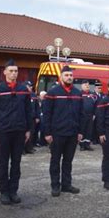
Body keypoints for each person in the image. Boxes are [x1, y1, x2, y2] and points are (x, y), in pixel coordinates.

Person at [0, 59, 32, 205]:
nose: (14, 73)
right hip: (3, 132)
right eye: (11, 71)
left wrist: (28, 130)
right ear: (5, 72)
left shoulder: (23, 90)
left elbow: (28, 111)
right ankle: (4, 192)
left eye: (16, 71)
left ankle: (13, 191)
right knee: (3, 163)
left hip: (19, 131)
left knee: (16, 163)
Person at [43, 65, 84, 197]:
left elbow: (81, 114)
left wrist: (80, 132)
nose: (69, 77)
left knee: (68, 161)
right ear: (61, 77)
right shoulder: (53, 93)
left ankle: (66, 185)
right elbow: (47, 114)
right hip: (57, 133)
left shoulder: (78, 93)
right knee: (55, 160)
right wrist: (47, 133)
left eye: (71, 75)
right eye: (66, 75)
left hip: (72, 133)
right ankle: (55, 186)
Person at [79, 80, 96, 151]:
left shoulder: (92, 94)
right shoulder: (79, 94)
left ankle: (87, 145)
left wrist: (94, 114)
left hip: (90, 115)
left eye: (88, 85)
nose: (87, 86)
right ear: (82, 86)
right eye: (85, 85)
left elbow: (96, 105)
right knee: (82, 130)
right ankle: (82, 145)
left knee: (89, 130)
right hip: (82, 115)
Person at [24, 81, 40, 154]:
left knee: (32, 133)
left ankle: (29, 148)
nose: (31, 87)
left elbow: (37, 107)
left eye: (31, 86)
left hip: (32, 118)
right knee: (23, 134)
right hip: (24, 118)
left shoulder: (34, 95)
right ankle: (22, 149)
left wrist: (37, 116)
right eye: (29, 86)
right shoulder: (22, 94)